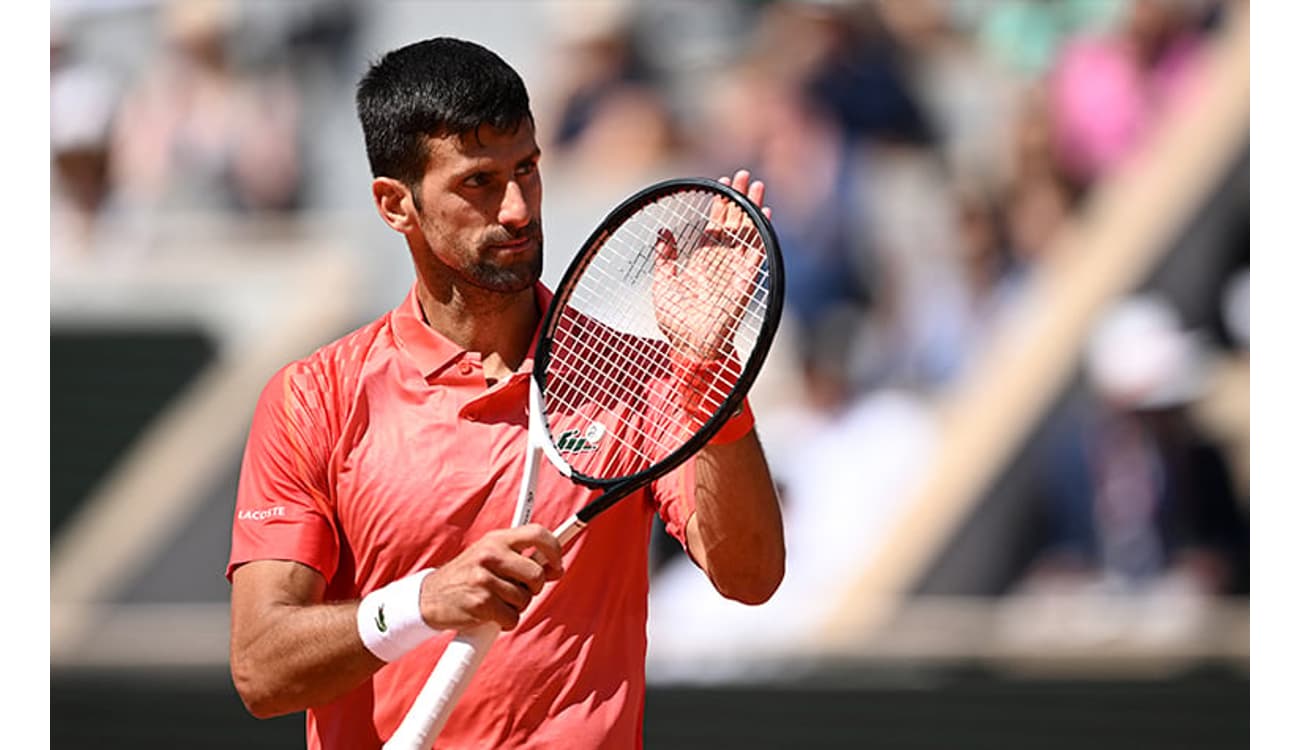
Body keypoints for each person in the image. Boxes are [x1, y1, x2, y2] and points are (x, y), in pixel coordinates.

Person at [226, 37, 785, 749]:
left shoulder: (640, 375)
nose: (518, 209)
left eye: (527, 169)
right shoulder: (314, 397)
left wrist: (709, 372)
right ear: (396, 205)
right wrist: (425, 601)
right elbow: (261, 668)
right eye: (478, 183)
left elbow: (751, 575)